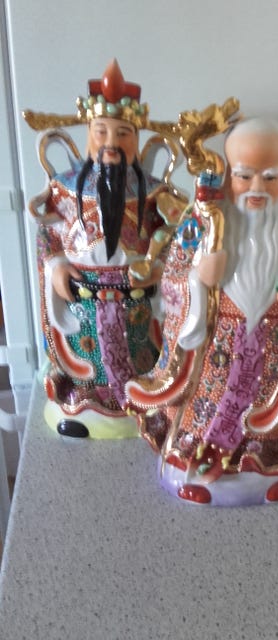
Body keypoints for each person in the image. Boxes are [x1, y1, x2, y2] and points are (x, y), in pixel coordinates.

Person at [126, 118, 278, 505]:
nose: (257, 189)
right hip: (214, 349)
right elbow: (172, 277)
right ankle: (196, 465)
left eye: (270, 177)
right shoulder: (205, 216)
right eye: (244, 176)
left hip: (275, 346)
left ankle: (267, 470)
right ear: (229, 170)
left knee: (266, 423)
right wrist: (199, 279)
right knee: (206, 415)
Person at [25, 60, 184, 438]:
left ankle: (142, 406)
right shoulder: (65, 189)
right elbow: (48, 234)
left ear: (137, 140)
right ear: (88, 136)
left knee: (140, 357)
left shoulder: (155, 192)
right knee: (87, 362)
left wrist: (160, 266)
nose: (111, 143)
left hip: (137, 300)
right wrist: (56, 265)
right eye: (101, 132)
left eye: (123, 133)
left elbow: (176, 237)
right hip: (82, 296)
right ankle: (87, 407)